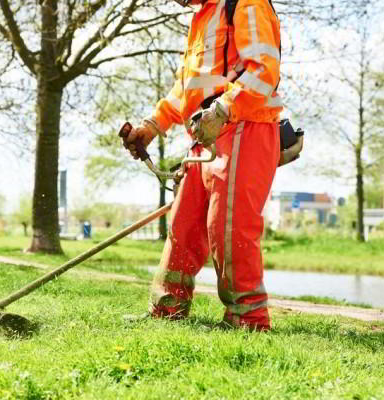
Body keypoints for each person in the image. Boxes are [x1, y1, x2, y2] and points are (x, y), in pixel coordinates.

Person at [122, 0, 282, 331]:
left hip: (244, 125)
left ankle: (247, 319)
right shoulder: (204, 16)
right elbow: (189, 87)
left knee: (229, 226)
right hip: (207, 132)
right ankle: (168, 309)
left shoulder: (246, 3)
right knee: (184, 225)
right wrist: (152, 125)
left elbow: (265, 68)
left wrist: (224, 109)